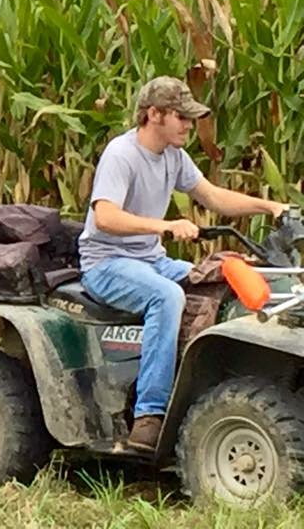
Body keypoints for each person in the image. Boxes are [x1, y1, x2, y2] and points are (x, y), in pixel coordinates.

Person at [78, 76, 286, 451]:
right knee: (167, 297)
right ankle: (149, 417)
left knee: (224, 280)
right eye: (181, 117)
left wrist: (269, 206)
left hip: (151, 260)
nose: (189, 126)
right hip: (107, 264)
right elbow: (105, 216)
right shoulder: (121, 154)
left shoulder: (174, 157)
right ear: (153, 114)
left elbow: (214, 197)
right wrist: (165, 225)